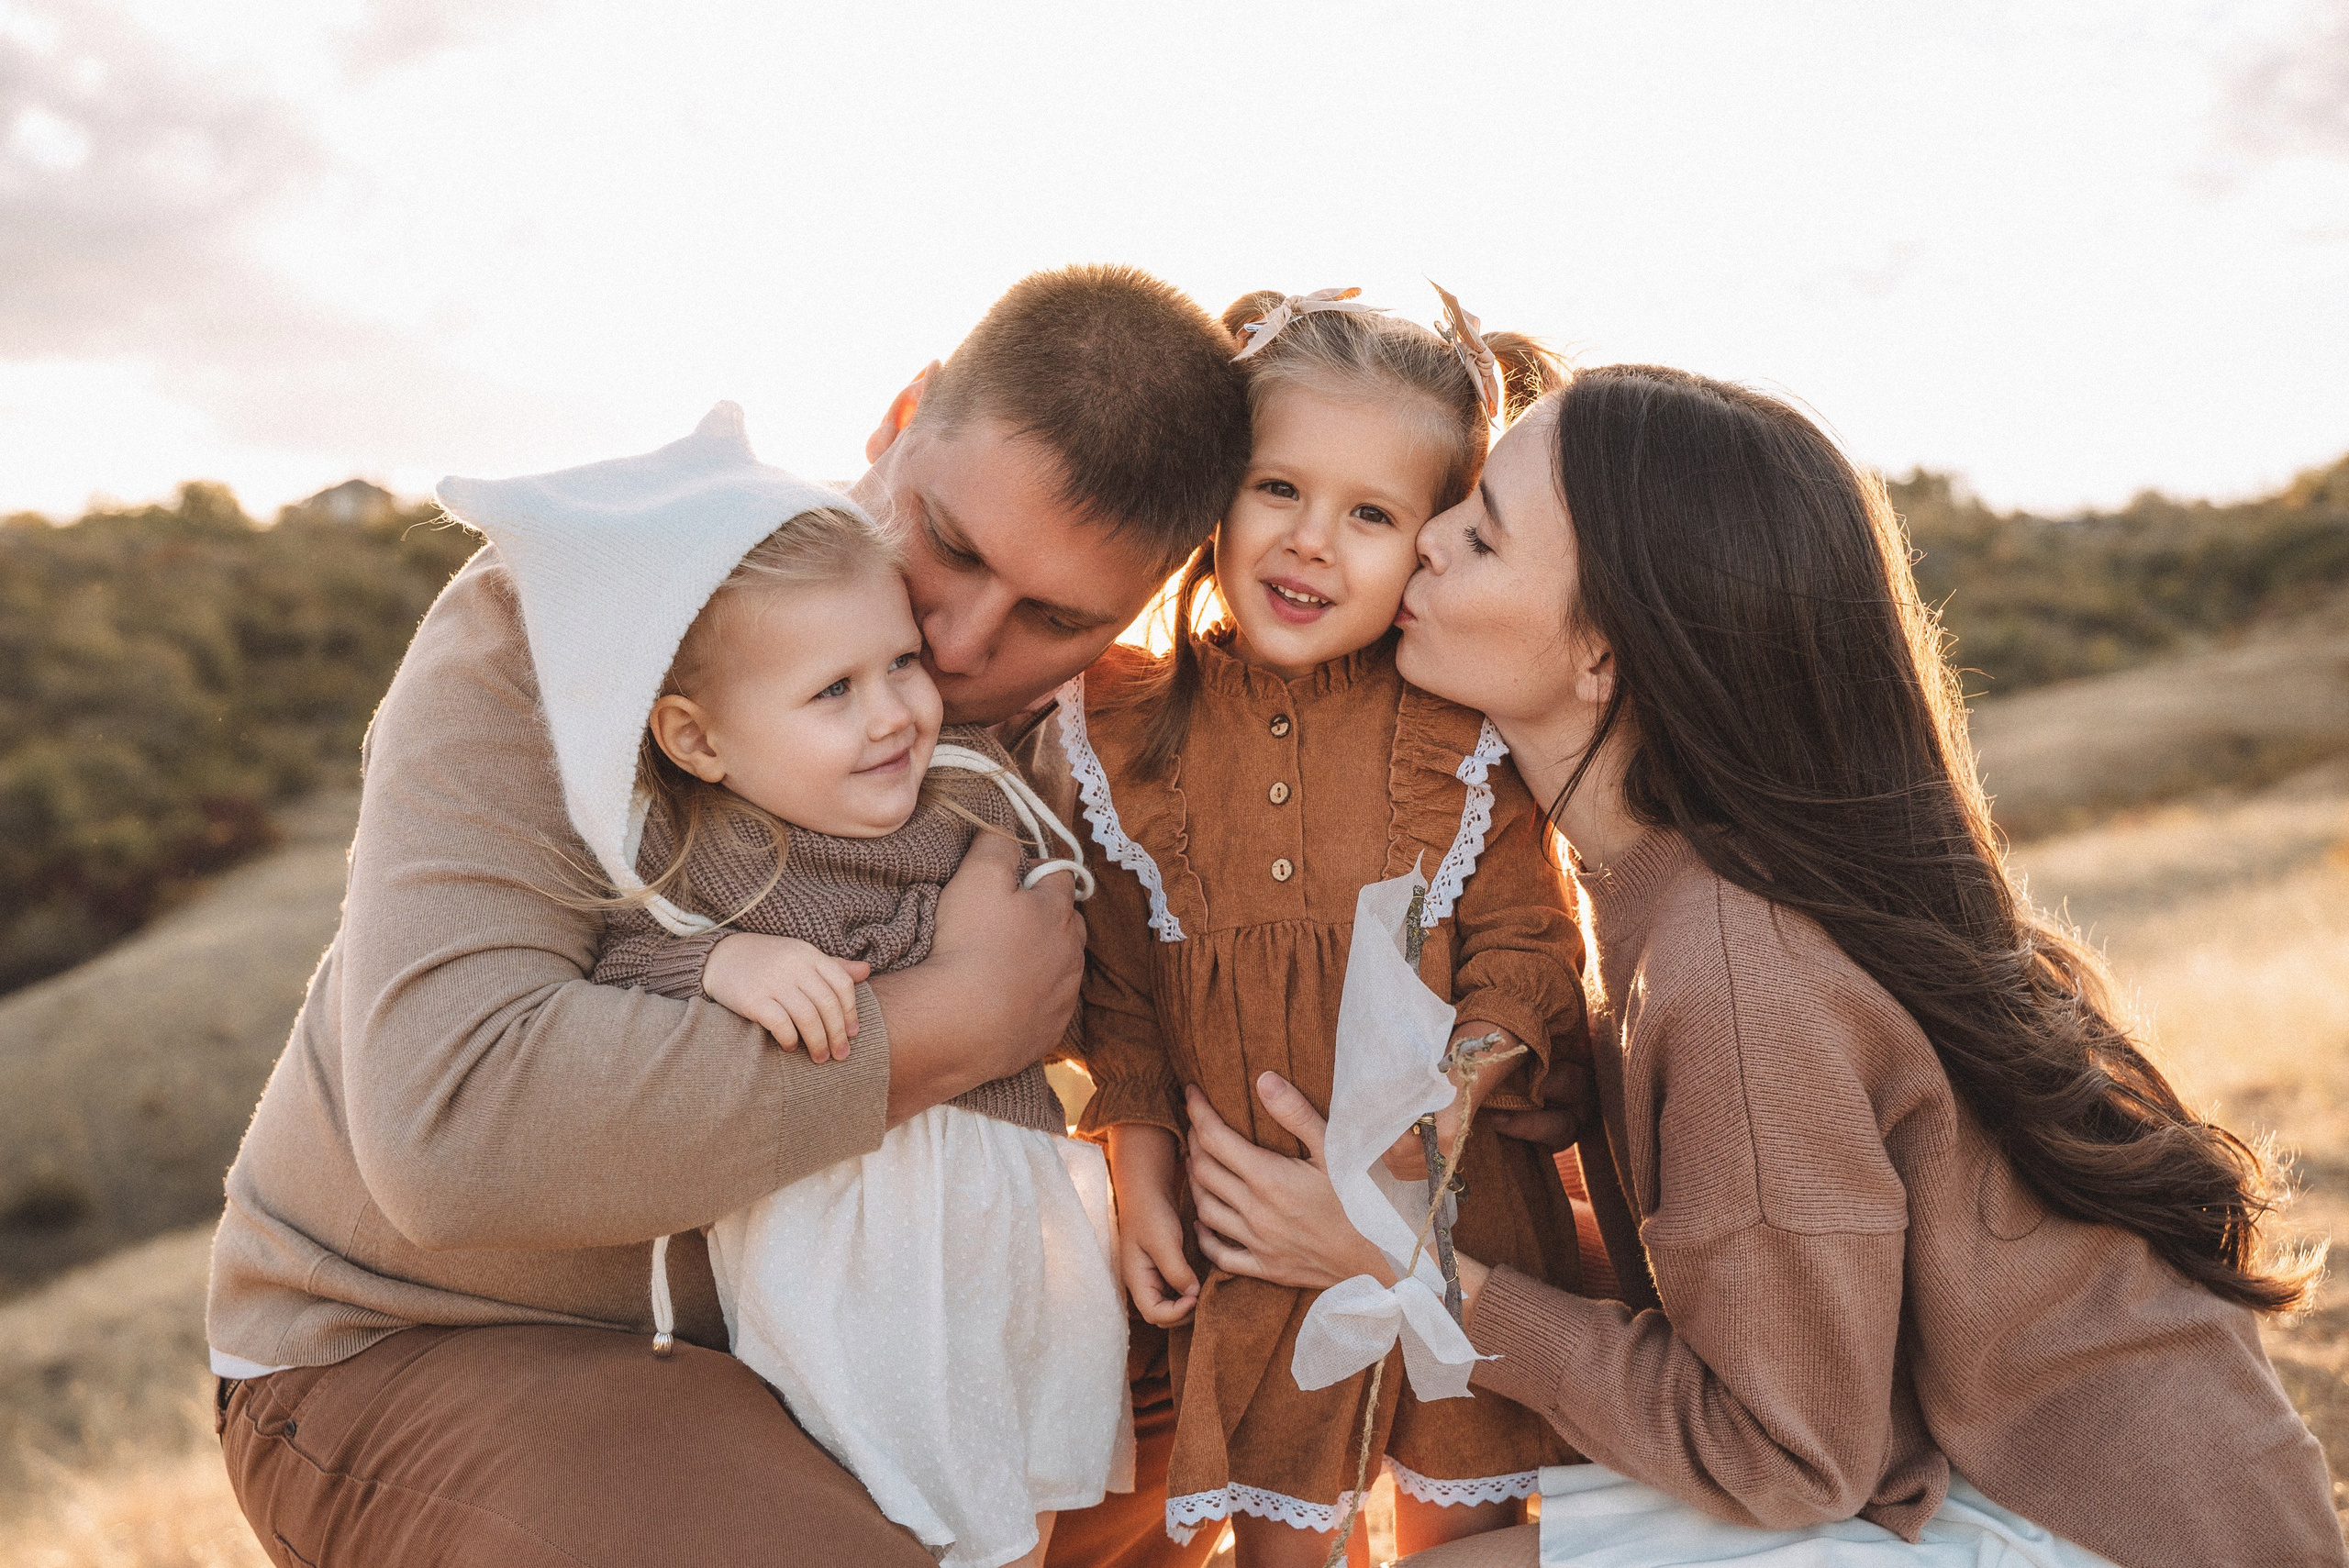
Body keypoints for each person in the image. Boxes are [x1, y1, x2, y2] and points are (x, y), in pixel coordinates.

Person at [1178, 365, 2345, 1566]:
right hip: (1991, 1485)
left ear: (1602, 656)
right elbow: (1763, 1291)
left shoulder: (1736, 960)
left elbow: (1790, 1454)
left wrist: (1410, 1269)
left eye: (1480, 532)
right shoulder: (1675, 894)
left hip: (2093, 1537)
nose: (1421, 541)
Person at [206, 264, 1250, 1566]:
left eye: (1057, 618)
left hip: (878, 1325)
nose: (965, 639)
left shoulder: (1083, 734)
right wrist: (952, 1023)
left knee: (1309, 1332)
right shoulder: (575, 615)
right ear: (900, 415)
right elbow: (448, 1124)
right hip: (453, 1336)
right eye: (954, 543)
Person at [443, 432, 1131, 1568]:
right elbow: (614, 973)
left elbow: (1067, 945)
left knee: (1015, 1507)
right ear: (698, 740)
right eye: (833, 691)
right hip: (839, 1249)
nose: (894, 713)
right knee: (882, 1501)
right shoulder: (711, 858)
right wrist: (720, 967)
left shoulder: (972, 792)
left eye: (901, 663)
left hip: (1006, 1233)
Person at [1062, 287, 1591, 1567]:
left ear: (1431, 542)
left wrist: (1448, 1105)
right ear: (1216, 496)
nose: (1311, 542)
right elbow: (1124, 984)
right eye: (1277, 489)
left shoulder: (1457, 731)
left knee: (1459, 1530)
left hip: (1443, 1206)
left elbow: (1531, 948)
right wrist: (1139, 1169)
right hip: (1247, 1207)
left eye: (1370, 514)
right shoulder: (1128, 728)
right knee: (1279, 1534)